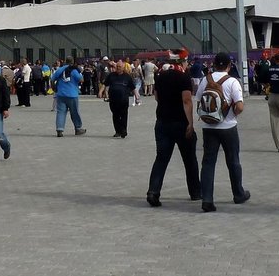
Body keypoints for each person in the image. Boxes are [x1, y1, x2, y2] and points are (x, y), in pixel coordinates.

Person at [194, 52, 249, 212]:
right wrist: (230, 114)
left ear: (214, 64)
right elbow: (239, 106)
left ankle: (207, 199)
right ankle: (238, 193)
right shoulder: (232, 82)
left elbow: (198, 99)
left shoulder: (206, 80)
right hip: (228, 127)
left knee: (208, 163)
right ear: (229, 66)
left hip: (208, 127)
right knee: (233, 161)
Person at [145, 61, 200, 207]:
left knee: (161, 159)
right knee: (189, 160)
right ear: (181, 62)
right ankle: (195, 192)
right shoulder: (184, 77)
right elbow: (187, 100)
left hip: (162, 122)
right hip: (180, 123)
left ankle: (153, 191)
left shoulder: (160, 76)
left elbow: (156, 97)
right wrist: (190, 123)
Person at [50, 57, 86, 137]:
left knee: (61, 112)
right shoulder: (74, 70)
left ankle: (59, 129)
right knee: (75, 112)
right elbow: (81, 80)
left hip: (61, 94)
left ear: (66, 61)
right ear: (73, 62)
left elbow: (52, 79)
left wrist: (54, 88)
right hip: (72, 94)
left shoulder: (60, 69)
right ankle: (78, 128)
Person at [103, 61, 140, 138]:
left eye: (119, 67)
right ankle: (118, 131)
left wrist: (137, 97)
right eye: (117, 67)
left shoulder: (127, 77)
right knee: (115, 115)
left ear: (123, 68)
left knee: (123, 115)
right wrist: (101, 92)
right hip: (113, 99)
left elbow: (133, 88)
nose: (118, 68)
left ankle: (123, 131)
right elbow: (105, 84)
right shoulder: (111, 75)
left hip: (123, 100)